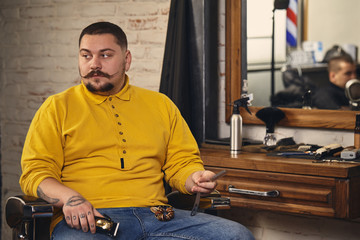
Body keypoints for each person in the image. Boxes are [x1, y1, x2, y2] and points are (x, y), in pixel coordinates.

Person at [19, 22, 254, 240]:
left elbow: (181, 162)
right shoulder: (57, 107)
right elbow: (36, 173)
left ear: (126, 59)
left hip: (159, 215)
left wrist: (194, 178)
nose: (94, 64)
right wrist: (71, 200)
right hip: (91, 219)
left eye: (105, 55)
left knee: (236, 235)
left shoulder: (160, 105)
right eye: (86, 56)